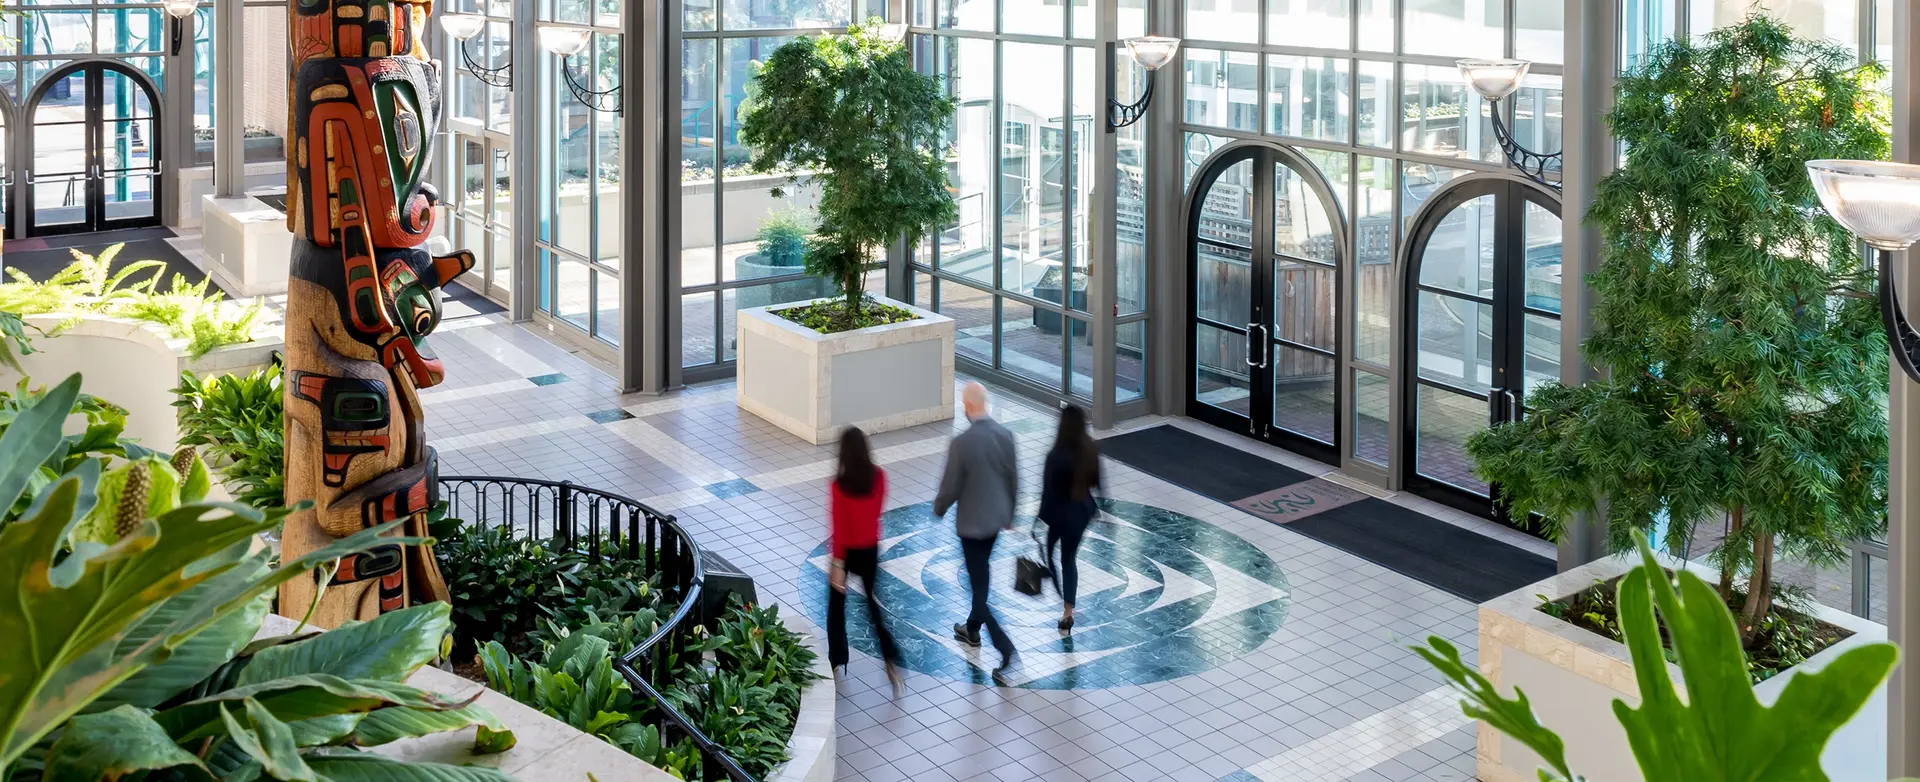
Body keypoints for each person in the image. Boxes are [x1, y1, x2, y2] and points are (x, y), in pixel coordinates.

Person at [933, 381, 1018, 683]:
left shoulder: (962, 443)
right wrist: (1010, 514)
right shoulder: (1005, 435)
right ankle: (971, 628)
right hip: (995, 521)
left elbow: (951, 486)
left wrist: (939, 508)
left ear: (967, 406)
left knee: (978, 584)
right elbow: (1013, 478)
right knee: (981, 576)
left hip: (971, 524)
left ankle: (1005, 647)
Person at [825, 427, 902, 692]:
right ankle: (890, 658)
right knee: (873, 607)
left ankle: (837, 660)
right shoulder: (879, 477)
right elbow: (877, 511)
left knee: (836, 607)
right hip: (870, 550)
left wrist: (836, 565)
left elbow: (839, 528)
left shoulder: (838, 486)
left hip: (846, 555)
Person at [1038, 404, 1100, 632]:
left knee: (1050, 555)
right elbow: (1097, 482)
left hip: (1059, 515)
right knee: (1069, 559)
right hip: (1082, 513)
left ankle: (1059, 592)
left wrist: (1039, 520)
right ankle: (1067, 610)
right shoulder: (1091, 449)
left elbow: (1047, 492)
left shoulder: (1054, 456)